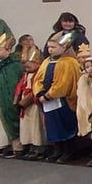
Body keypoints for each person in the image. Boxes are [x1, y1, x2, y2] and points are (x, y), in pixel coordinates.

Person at [34, 31, 81, 163]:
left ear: (64, 47)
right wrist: (40, 93)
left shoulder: (69, 62)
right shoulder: (46, 61)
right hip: (48, 101)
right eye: (49, 47)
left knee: (65, 125)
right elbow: (38, 79)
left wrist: (49, 95)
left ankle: (69, 151)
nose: (50, 50)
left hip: (63, 100)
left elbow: (64, 83)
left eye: (53, 47)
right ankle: (58, 149)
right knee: (53, 125)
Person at [0, 34, 24, 158]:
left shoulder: (14, 65)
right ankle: (3, 145)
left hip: (8, 98)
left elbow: (13, 83)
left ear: (8, 50)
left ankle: (16, 146)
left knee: (10, 119)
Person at [15, 47, 46, 160]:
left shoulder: (39, 74)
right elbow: (21, 86)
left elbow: (38, 87)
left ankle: (39, 147)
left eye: (29, 65)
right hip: (25, 103)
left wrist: (30, 98)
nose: (26, 67)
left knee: (36, 126)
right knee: (27, 126)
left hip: (34, 103)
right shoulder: (26, 75)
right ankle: (29, 145)